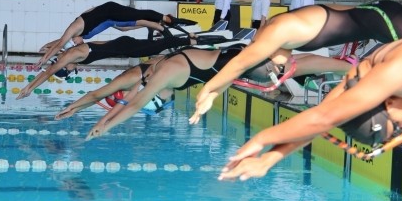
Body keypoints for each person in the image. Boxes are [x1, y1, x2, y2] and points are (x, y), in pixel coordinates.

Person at [217, 23, 402, 181]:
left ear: (385, 105)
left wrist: (261, 140)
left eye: (400, 127)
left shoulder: (398, 73)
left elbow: (321, 119)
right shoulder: (366, 72)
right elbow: (325, 115)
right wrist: (269, 159)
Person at [189, 0, 402, 123]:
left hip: (383, 20)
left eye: (279, 70)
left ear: (267, 61)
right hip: (379, 19)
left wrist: (209, 91)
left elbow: (240, 63)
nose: (287, 67)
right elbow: (314, 63)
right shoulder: (283, 43)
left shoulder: (275, 34)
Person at [84, 44, 292, 140]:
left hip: (239, 61)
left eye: (160, 103)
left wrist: (106, 127)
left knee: (286, 60)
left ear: (159, 93)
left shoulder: (166, 74)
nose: (166, 101)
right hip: (234, 61)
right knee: (289, 62)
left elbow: (135, 103)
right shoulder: (162, 70)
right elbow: (131, 101)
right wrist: (102, 123)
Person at [17, 34, 227, 100]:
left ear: (66, 67)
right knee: (164, 50)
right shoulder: (75, 54)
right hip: (123, 47)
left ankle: (205, 41)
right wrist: (50, 50)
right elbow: (77, 43)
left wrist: (30, 88)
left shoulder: (72, 55)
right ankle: (197, 43)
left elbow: (49, 71)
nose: (74, 70)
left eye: (70, 71)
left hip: (126, 47)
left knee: (163, 45)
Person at [38, 1, 197, 66]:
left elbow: (58, 43)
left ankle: (168, 21)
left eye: (75, 43)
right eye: (76, 45)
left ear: (73, 39)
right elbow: (58, 43)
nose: (78, 44)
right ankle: (161, 26)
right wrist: (49, 51)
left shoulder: (75, 28)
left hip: (111, 10)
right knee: (137, 21)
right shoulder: (84, 37)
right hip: (114, 20)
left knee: (138, 15)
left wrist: (44, 57)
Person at [54, 55, 168, 120]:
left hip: (172, 63)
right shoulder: (131, 85)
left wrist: (71, 107)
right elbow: (97, 97)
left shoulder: (124, 81)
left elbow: (95, 95)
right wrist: (75, 110)